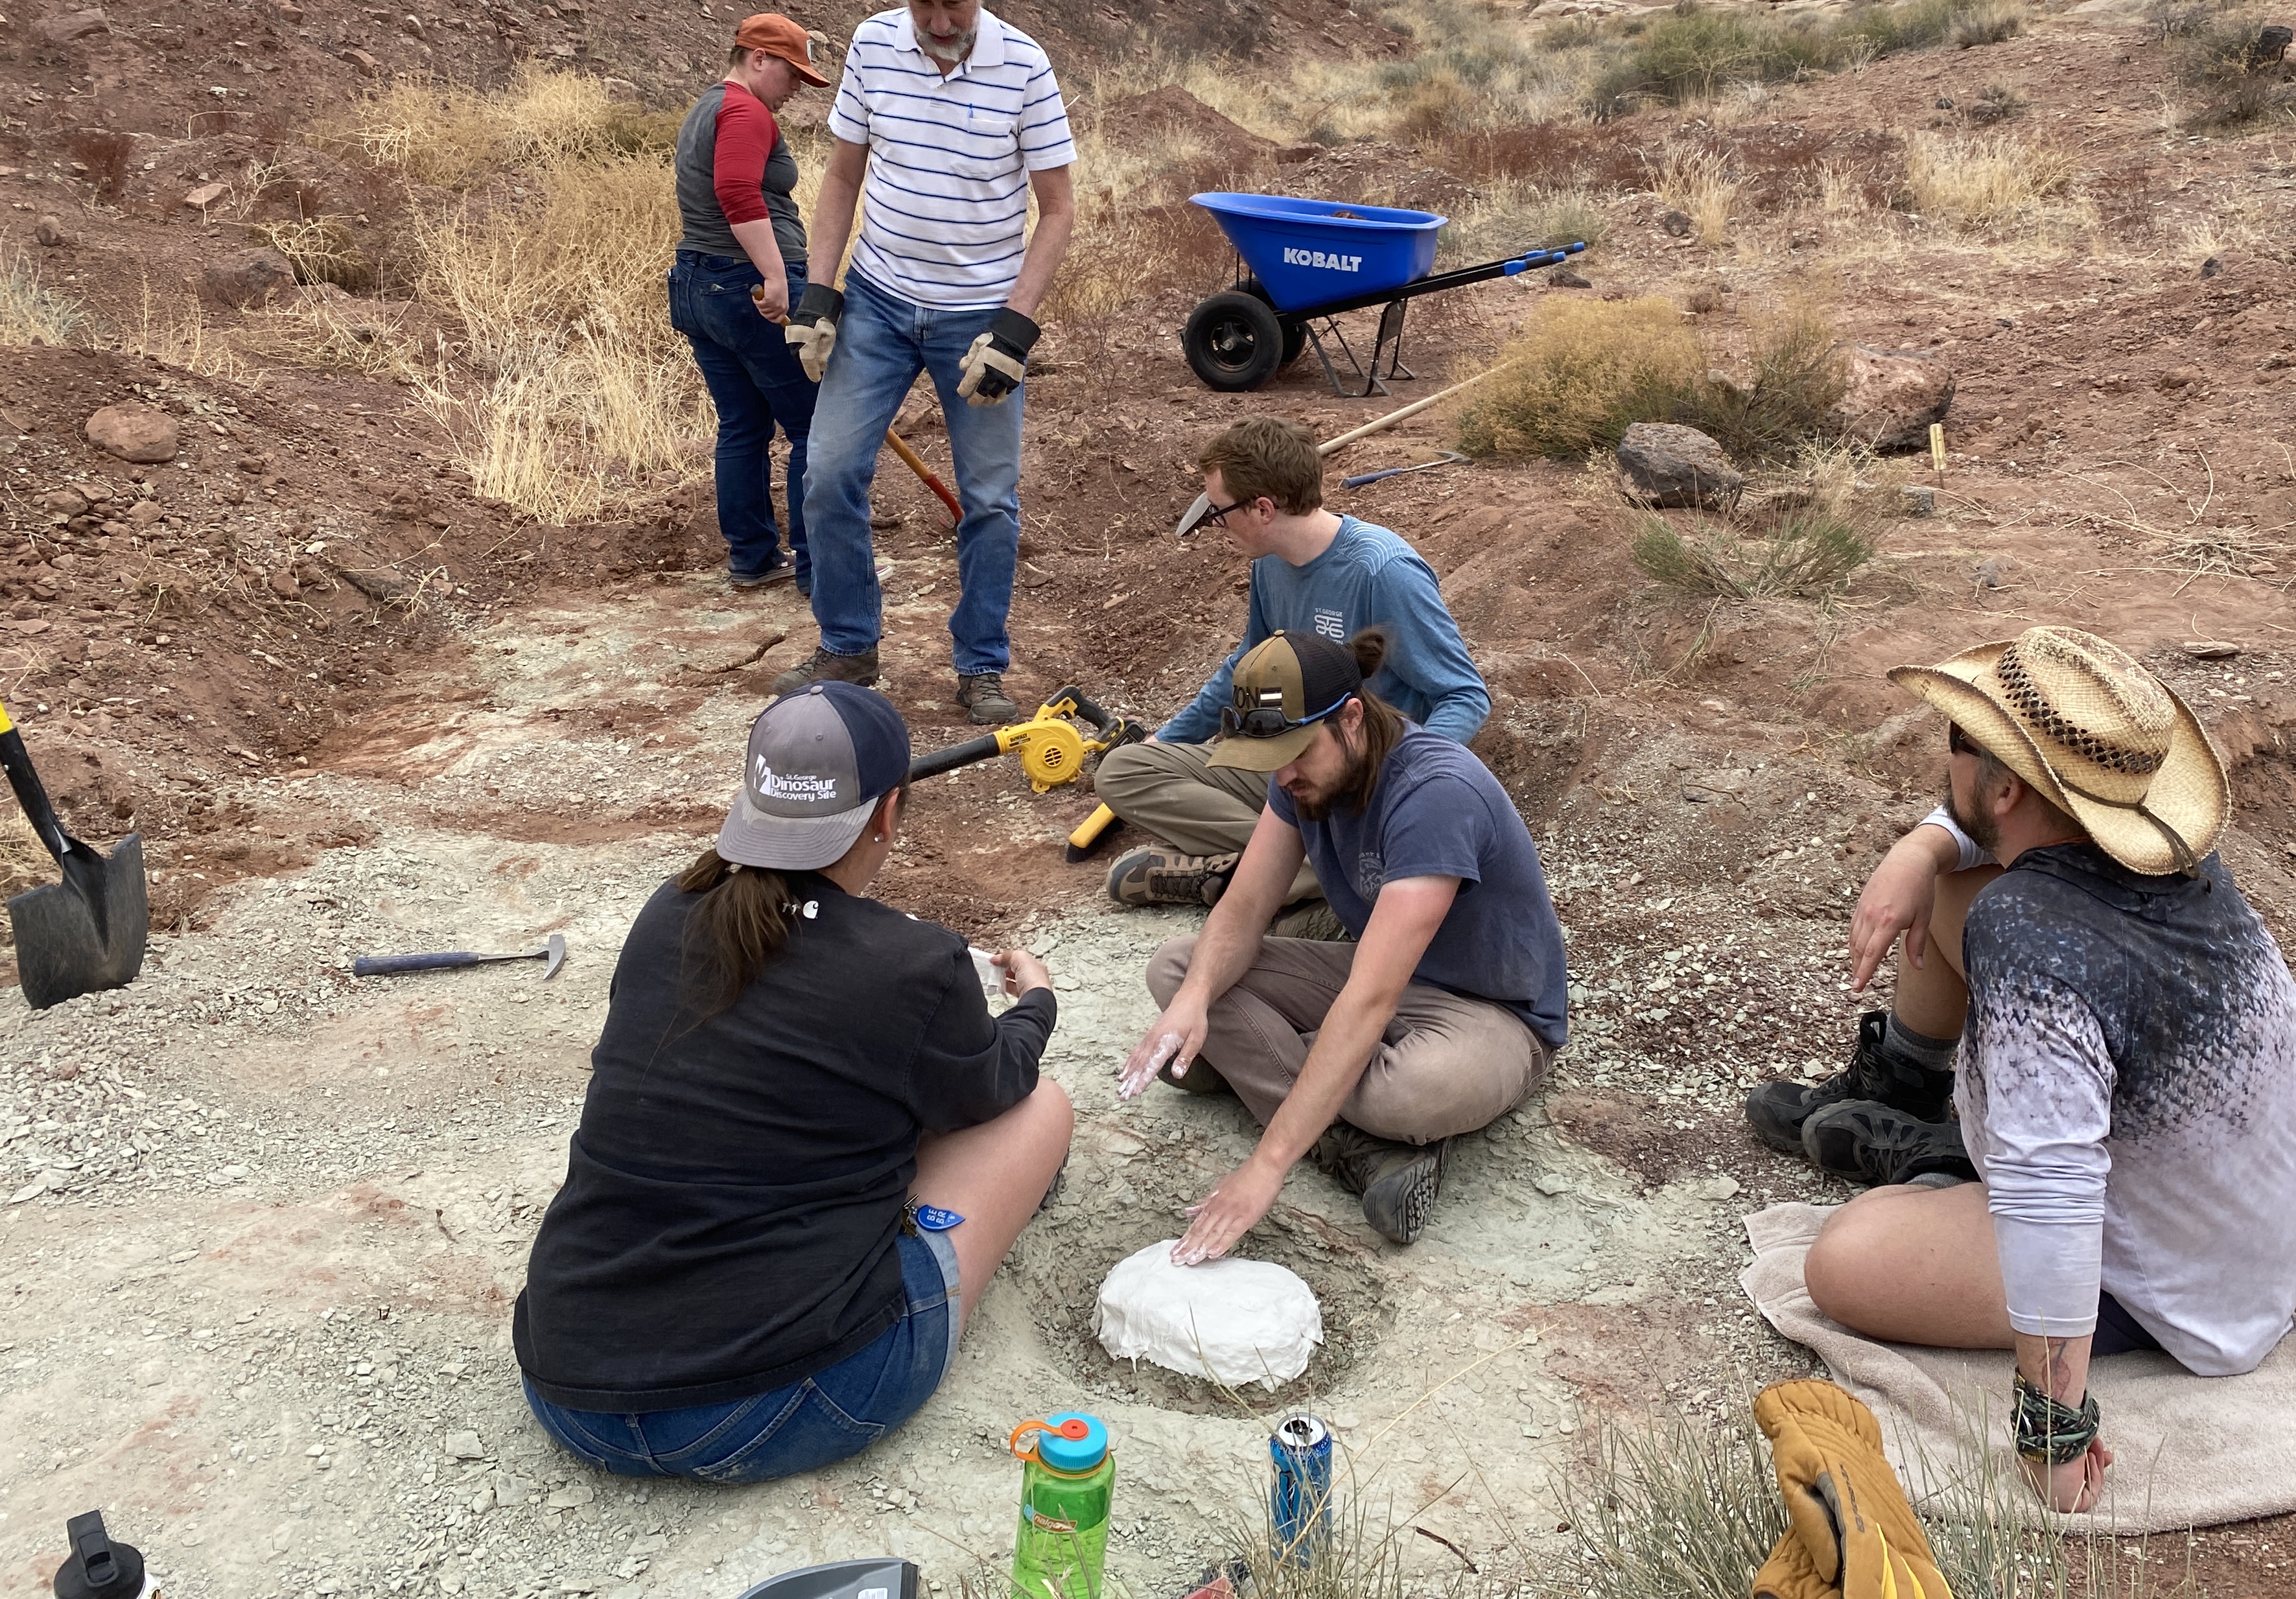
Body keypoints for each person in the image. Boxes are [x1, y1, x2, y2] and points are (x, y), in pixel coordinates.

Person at [1750, 625, 2296, 1515]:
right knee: (1951, 878)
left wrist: (2051, 1429)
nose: (1944, 761)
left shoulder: (2031, 935)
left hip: (2175, 1284)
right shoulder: (2169, 858)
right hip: (2231, 1220)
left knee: (1847, 1258)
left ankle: (1944, 1162)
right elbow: (1978, 837)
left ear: (2007, 785)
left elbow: (2055, 1195)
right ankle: (1915, 1101)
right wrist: (1921, 849)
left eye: (1957, 745)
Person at [513, 681, 1072, 1484]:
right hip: (776, 1401)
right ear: (887, 814)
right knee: (1040, 1111)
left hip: (569, 1385)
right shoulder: (912, 963)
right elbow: (994, 1085)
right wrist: (1037, 1002)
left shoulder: (667, 910)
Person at [1119, 628, 1566, 1252]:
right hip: (1379, 975)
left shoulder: (1434, 794)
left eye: (1298, 751)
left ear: (1352, 717)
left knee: (1411, 1092)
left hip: (1489, 1013)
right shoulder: (1298, 773)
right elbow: (1245, 908)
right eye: (1272, 757)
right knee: (1178, 970)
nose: (1285, 773)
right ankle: (1343, 1135)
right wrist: (1196, 998)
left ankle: (1270, 1074)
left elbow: (1369, 1001)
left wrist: (1267, 1166)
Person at [773, 0, 1077, 725]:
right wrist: (819, 291)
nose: (940, 20)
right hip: (876, 301)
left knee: (988, 499)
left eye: (955, 2)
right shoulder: (874, 47)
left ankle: (980, 663)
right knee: (828, 472)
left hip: (977, 311)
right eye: (924, 3)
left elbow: (1057, 210)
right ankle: (848, 644)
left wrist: (1014, 330)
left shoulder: (1026, 68)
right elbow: (842, 181)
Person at [1097, 416, 1490, 912]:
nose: (1215, 525)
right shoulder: (1268, 566)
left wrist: (1400, 784)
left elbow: (1464, 695)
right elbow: (1247, 665)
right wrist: (1170, 740)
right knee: (1124, 770)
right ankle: (1306, 873)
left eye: (1219, 512)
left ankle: (1273, 874)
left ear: (1263, 508)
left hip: (1358, 776)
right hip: (1288, 766)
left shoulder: (1382, 571)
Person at [669, 13, 830, 594]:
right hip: (749, 286)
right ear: (759, 58)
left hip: (697, 282)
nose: (795, 92)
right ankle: (822, 568)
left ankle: (754, 558)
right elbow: (735, 190)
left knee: (743, 424)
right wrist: (773, 274)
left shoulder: (707, 106)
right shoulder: (744, 110)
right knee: (815, 425)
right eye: (792, 75)